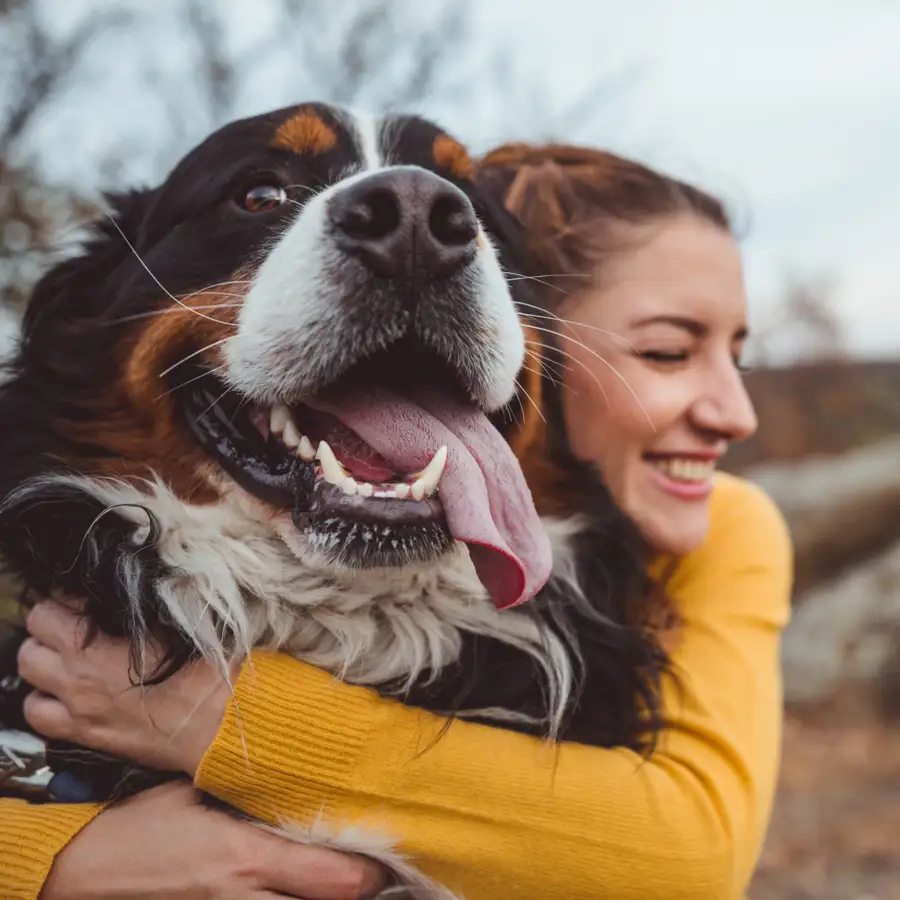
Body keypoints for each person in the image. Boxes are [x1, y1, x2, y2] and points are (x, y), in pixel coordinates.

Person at [0, 144, 793, 900]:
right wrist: (51, 858)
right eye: (665, 353)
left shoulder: (728, 527)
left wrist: (222, 722)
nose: (738, 414)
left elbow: (692, 855)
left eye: (739, 356)